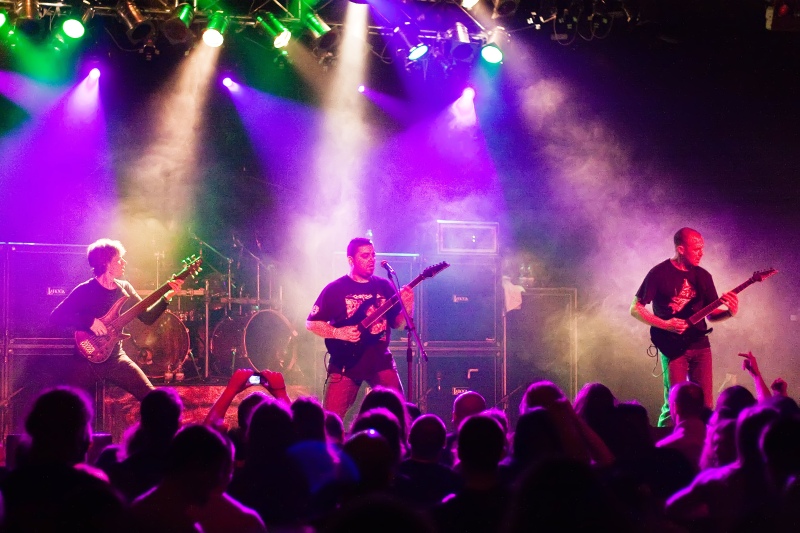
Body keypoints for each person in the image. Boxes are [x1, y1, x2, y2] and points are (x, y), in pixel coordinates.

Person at [631, 227, 739, 427]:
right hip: (673, 346)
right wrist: (666, 324)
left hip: (700, 345)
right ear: (681, 249)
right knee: (674, 404)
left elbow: (712, 315)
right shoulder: (659, 273)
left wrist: (729, 312)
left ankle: (704, 449)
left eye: (702, 248)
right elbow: (635, 309)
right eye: (696, 248)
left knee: (706, 405)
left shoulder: (704, 276)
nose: (702, 253)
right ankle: (665, 449)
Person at [51, 238, 183, 401]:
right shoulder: (85, 290)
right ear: (106, 264)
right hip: (86, 359)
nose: (124, 262)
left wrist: (166, 298)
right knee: (65, 405)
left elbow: (147, 317)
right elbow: (56, 317)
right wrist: (89, 321)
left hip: (115, 358)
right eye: (119, 259)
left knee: (153, 399)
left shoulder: (124, 288)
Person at [306, 237, 413, 419]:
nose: (371, 259)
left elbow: (399, 324)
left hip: (380, 360)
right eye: (365, 256)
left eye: (373, 255)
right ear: (351, 260)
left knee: (400, 414)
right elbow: (311, 323)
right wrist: (337, 332)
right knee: (330, 419)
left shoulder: (384, 286)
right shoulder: (335, 289)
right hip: (346, 363)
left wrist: (408, 307)